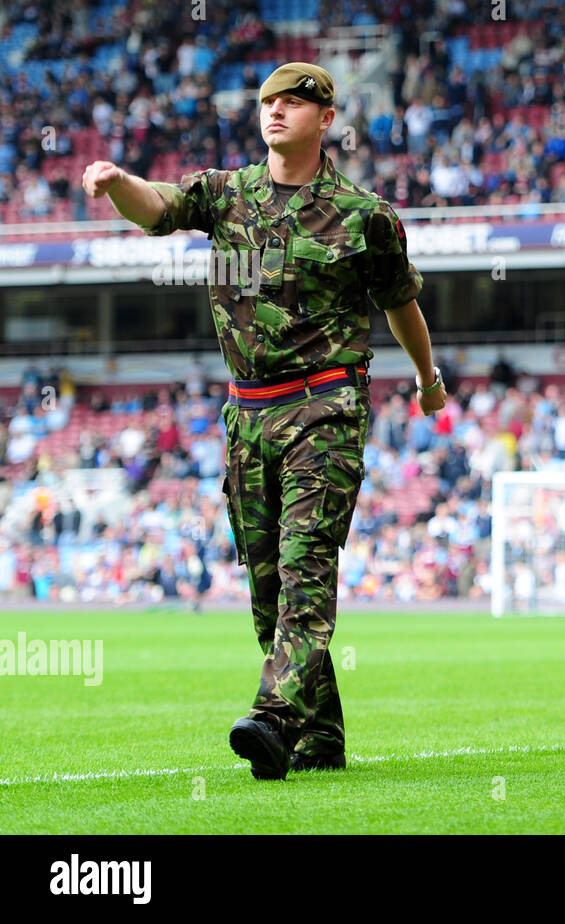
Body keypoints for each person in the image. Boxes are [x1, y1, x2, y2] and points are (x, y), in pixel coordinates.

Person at [81, 62, 447, 779]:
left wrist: (428, 381)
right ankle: (322, 737)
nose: (275, 111)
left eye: (292, 101)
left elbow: (401, 301)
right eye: (267, 102)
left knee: (305, 569)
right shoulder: (226, 193)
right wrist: (117, 182)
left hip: (326, 406)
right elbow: (157, 208)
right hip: (248, 415)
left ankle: (274, 717)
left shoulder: (362, 213)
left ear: (325, 118)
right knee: (267, 596)